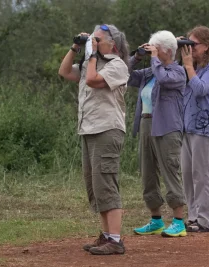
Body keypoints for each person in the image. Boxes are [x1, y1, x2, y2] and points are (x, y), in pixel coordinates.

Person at [58, 24, 130, 255]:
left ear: (113, 44)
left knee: (106, 183)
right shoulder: (92, 62)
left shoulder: (117, 65)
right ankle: (107, 235)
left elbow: (91, 80)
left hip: (107, 129)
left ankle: (116, 240)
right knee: (95, 187)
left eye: (98, 39)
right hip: (89, 129)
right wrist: (76, 47)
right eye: (93, 39)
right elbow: (64, 72)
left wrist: (90, 56)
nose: (94, 43)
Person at [128, 30, 187, 237]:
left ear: (167, 51)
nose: (153, 51)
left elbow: (164, 79)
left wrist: (154, 59)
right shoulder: (149, 72)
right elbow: (124, 75)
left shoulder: (178, 72)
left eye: (156, 48)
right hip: (146, 124)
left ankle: (179, 221)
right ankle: (156, 220)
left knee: (170, 170)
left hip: (168, 127)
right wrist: (136, 56)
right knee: (148, 173)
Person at [179, 26, 209, 232]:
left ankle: (206, 221)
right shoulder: (192, 65)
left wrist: (189, 66)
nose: (190, 49)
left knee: (203, 175)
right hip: (188, 127)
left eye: (194, 44)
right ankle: (193, 217)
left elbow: (200, 90)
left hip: (207, 128)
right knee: (188, 174)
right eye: (188, 44)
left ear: (206, 46)